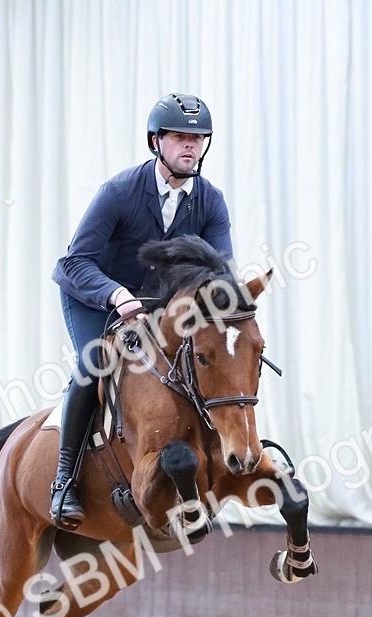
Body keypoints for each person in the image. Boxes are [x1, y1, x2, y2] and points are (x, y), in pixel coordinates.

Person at [50, 92, 234, 530]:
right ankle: (65, 481)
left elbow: (220, 272)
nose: (190, 146)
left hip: (160, 307)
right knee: (94, 363)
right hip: (97, 295)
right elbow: (75, 262)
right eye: (179, 137)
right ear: (156, 143)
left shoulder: (210, 201)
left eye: (198, 138)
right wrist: (116, 295)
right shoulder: (119, 192)